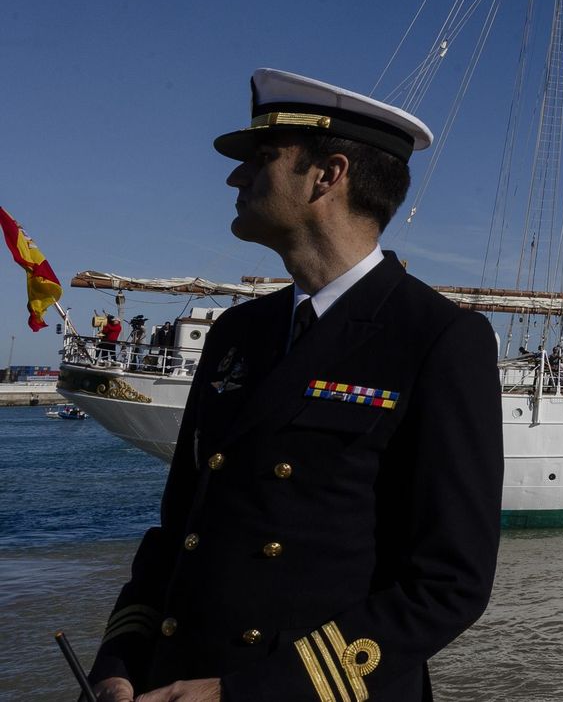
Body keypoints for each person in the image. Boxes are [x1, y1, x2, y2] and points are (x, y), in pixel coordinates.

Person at [89, 68, 503, 702]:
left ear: (327, 175)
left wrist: (244, 693)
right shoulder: (235, 333)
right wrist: (120, 661)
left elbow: (449, 584)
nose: (236, 176)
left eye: (262, 158)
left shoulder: (437, 338)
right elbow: (178, 532)